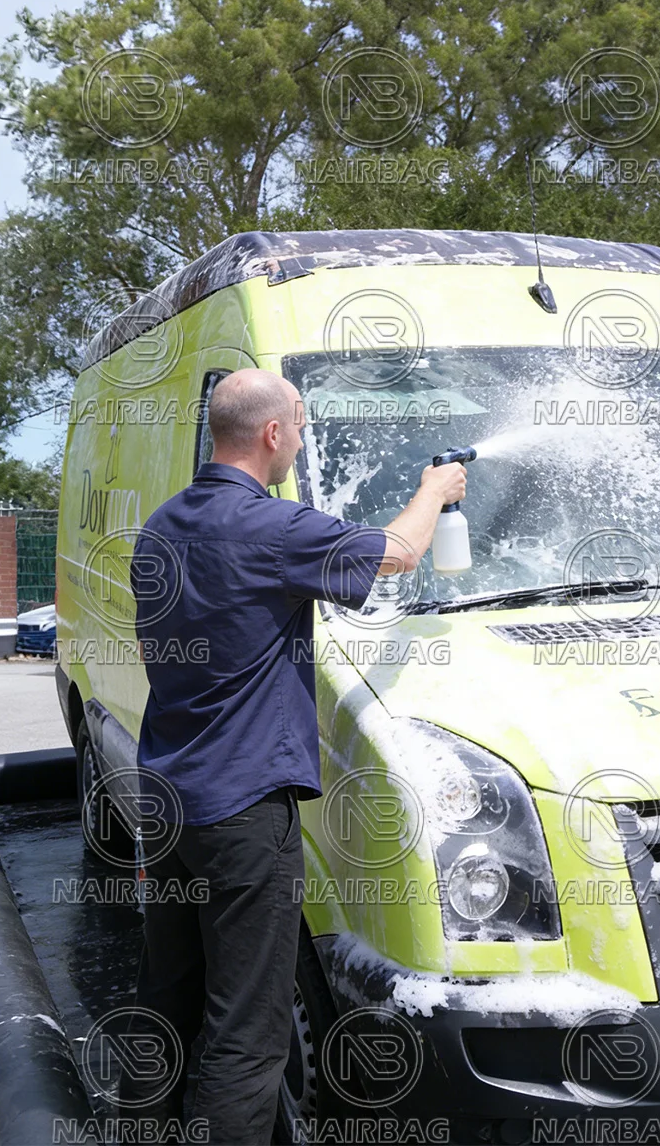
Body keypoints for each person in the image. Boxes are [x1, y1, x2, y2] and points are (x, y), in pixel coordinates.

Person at [121, 369, 466, 1144]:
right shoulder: (272, 527)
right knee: (248, 1031)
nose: (302, 441)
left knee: (167, 998)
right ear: (272, 434)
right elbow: (401, 554)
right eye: (301, 428)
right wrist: (435, 489)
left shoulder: (161, 526)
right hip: (244, 814)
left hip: (169, 802)